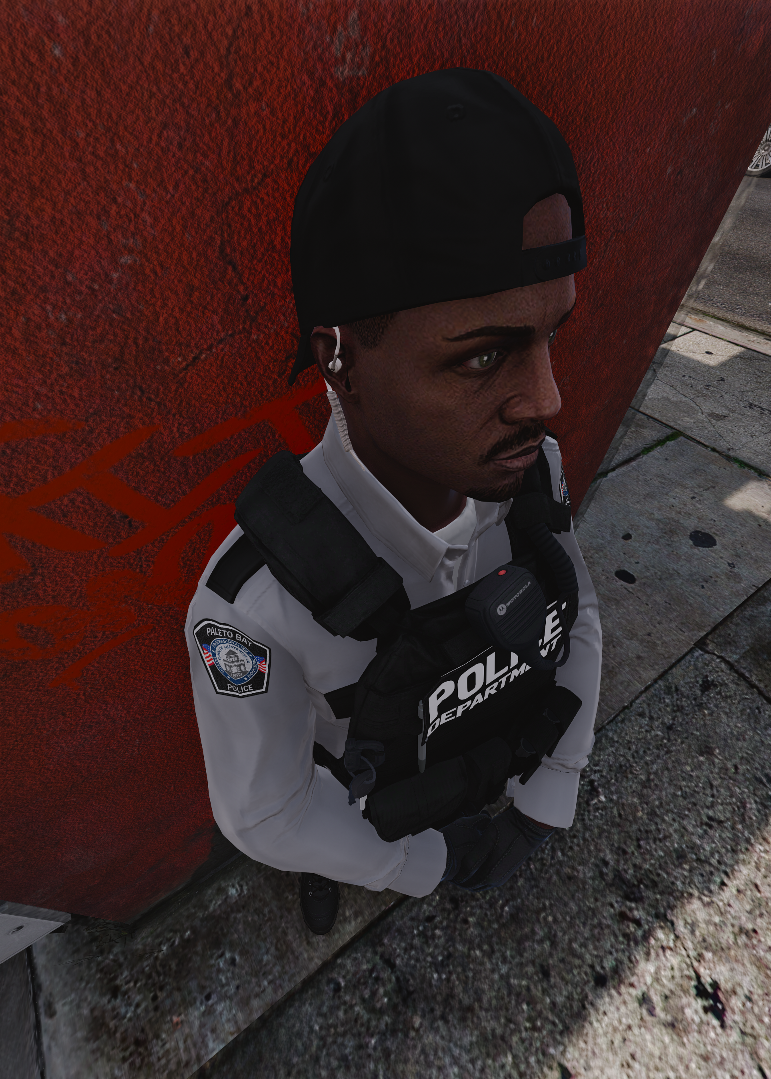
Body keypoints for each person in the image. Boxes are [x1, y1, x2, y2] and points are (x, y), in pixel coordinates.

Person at [184, 68, 602, 935]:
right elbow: (268, 810)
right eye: (482, 357)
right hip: (381, 809)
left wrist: (547, 791)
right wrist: (420, 864)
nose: (546, 399)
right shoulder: (255, 607)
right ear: (338, 357)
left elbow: (576, 610)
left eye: (549, 335)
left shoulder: (530, 473)